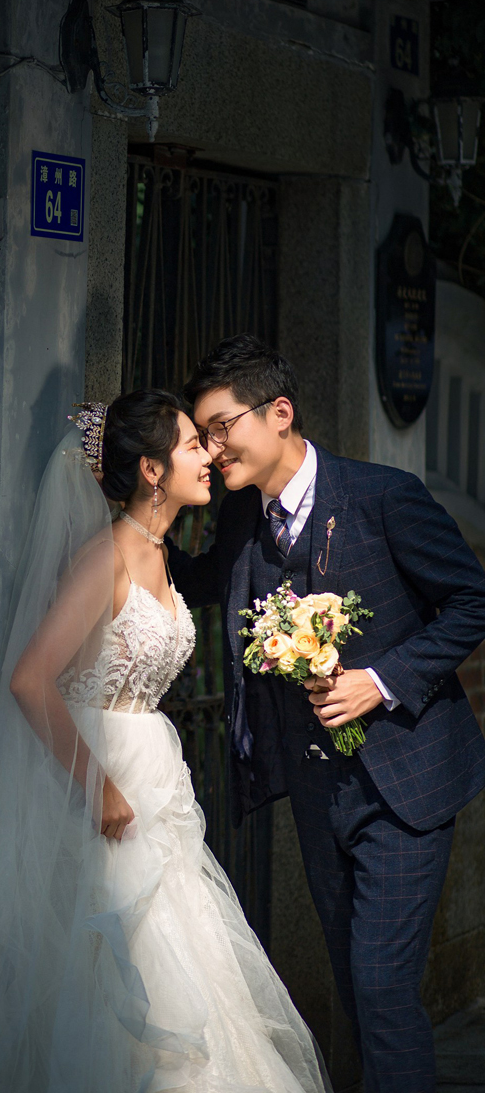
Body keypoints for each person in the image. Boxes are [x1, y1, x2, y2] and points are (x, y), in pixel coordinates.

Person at [0, 390, 330, 1093]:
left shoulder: (158, 552)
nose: (208, 456)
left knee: (186, 959)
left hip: (156, 782)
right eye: (191, 445)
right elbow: (30, 680)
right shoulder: (107, 556)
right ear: (152, 470)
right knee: (117, 969)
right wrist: (99, 787)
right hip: (101, 782)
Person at [168, 333, 485, 1093]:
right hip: (318, 794)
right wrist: (130, 501)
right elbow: (202, 583)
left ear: (279, 413)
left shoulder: (383, 496)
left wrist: (382, 679)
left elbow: (472, 599)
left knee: (382, 989)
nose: (212, 449)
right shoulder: (241, 517)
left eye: (221, 427)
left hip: (405, 784)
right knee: (354, 989)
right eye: (201, 435)